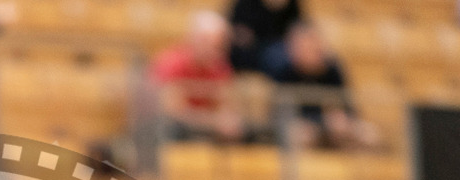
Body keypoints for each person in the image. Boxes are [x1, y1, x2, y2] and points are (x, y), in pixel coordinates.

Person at [267, 21, 379, 150]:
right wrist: (317, 121)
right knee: (301, 135)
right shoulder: (284, 72)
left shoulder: (332, 70)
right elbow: (281, 114)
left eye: (314, 45)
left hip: (331, 128)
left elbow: (349, 108)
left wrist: (344, 119)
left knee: (369, 136)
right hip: (303, 128)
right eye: (305, 47)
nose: (312, 51)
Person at [149, 10, 247, 144]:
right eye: (213, 45)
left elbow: (226, 104)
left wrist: (229, 120)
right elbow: (172, 112)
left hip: (203, 134)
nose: (217, 52)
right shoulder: (171, 63)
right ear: (196, 40)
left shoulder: (219, 67)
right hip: (170, 135)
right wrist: (214, 121)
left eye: (220, 47)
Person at [228, 0, 303, 75]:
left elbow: (296, 27)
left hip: (282, 48)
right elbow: (238, 30)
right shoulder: (246, 4)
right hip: (252, 49)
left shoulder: (291, 5)